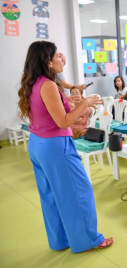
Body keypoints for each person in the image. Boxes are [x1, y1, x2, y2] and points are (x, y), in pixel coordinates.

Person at [17, 41, 113, 253]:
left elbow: (50, 109)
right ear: (48, 61)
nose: (63, 58)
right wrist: (84, 103)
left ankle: (60, 240)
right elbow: (63, 121)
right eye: (58, 55)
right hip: (55, 146)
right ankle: (89, 240)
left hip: (38, 144)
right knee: (80, 192)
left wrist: (71, 98)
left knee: (51, 195)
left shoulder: (34, 82)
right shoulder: (49, 85)